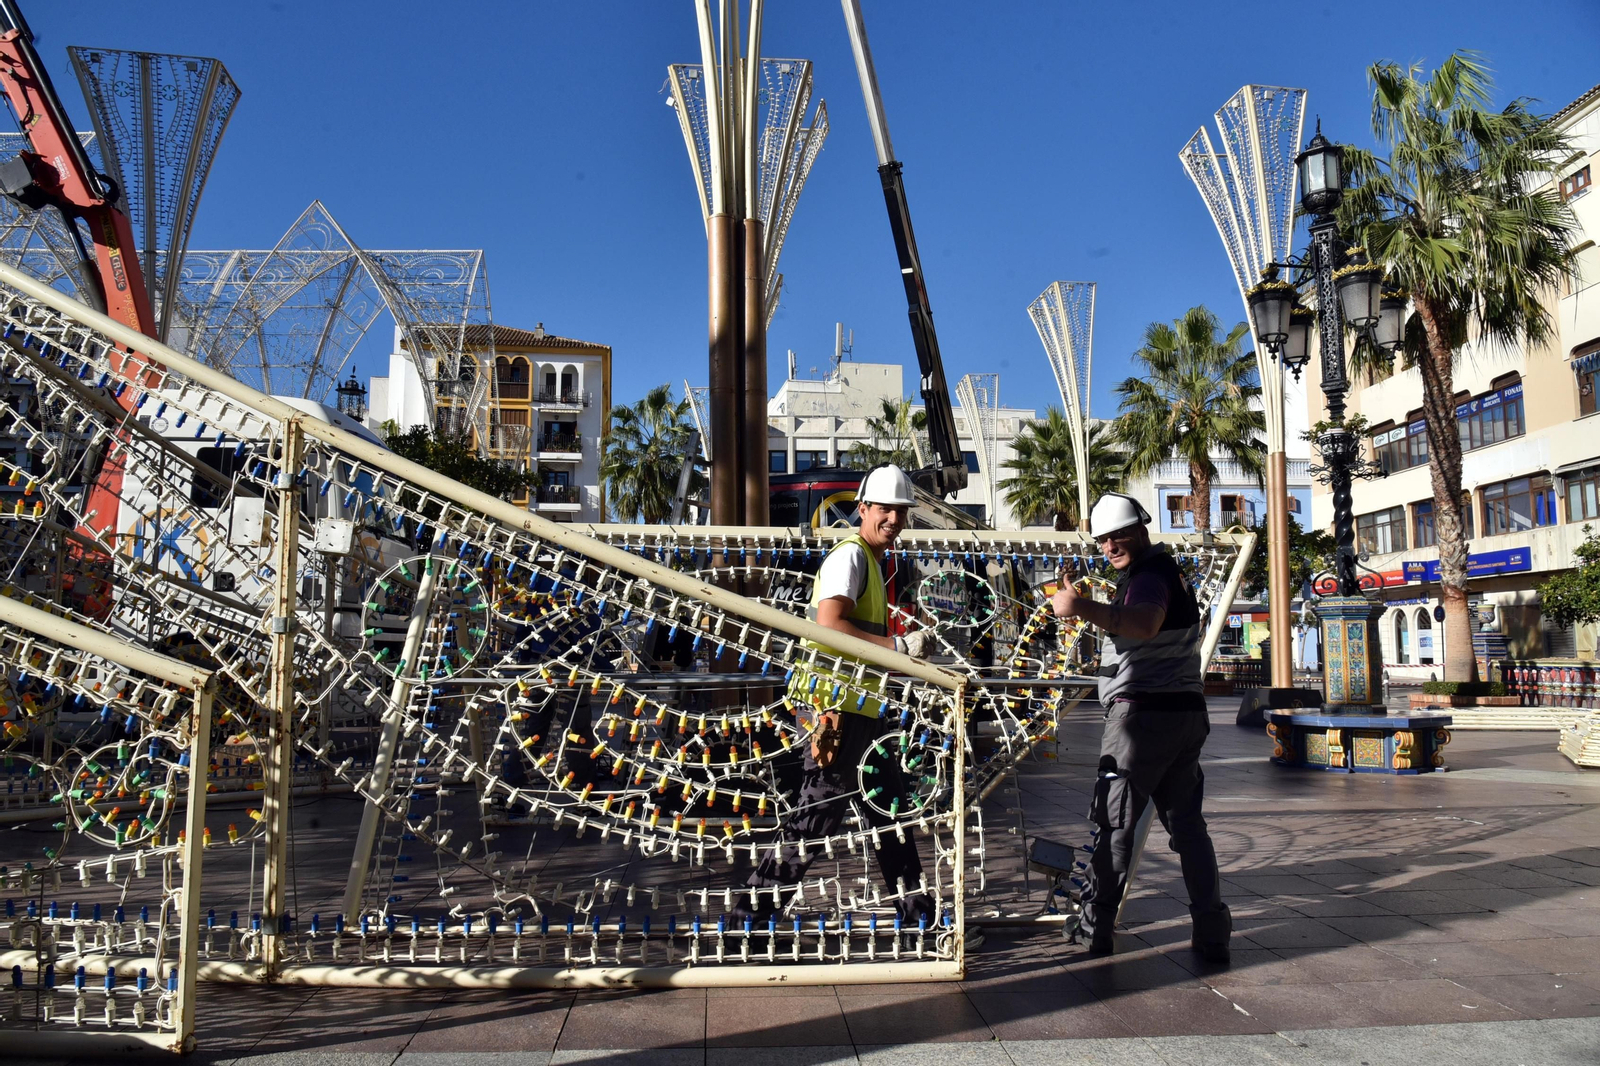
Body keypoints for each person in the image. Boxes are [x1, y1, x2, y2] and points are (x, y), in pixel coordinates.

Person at [741, 463, 936, 923]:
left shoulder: (866, 558)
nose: (893, 519)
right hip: (838, 712)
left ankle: (917, 915)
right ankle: (750, 917)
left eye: (900, 511)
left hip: (857, 709)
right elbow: (830, 623)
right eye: (885, 509)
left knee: (890, 813)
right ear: (863, 508)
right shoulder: (850, 555)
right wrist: (896, 647)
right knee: (816, 818)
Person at [1052, 492, 1232, 963]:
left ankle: (1095, 929)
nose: (1110, 545)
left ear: (1141, 530)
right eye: (1104, 539)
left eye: (1119, 535)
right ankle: (1212, 929)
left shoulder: (1150, 576)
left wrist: (1080, 607)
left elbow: (1146, 624)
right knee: (1189, 830)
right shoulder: (1162, 573)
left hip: (1142, 722)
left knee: (1114, 827)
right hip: (1184, 717)